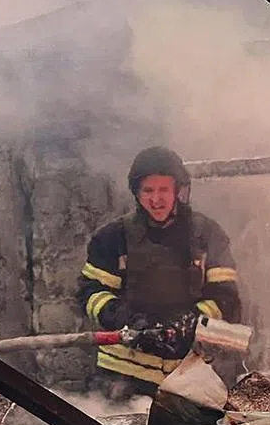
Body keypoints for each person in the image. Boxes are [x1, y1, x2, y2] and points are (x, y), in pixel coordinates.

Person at [76, 147, 240, 397]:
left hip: (191, 372)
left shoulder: (207, 235)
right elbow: (91, 292)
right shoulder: (112, 238)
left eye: (163, 190)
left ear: (178, 190)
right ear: (136, 193)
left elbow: (225, 295)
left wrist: (189, 323)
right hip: (123, 376)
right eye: (148, 191)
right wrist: (129, 320)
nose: (156, 199)